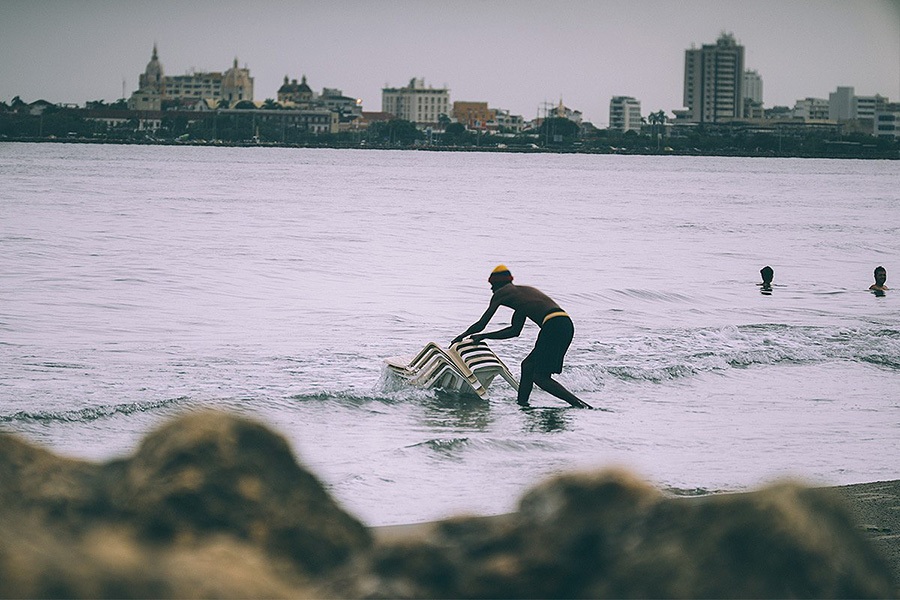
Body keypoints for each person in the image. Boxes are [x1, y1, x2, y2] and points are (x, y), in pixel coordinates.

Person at [452, 265, 592, 409]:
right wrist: (484, 336)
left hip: (553, 325)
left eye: (492, 285)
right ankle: (522, 404)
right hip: (564, 323)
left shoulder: (502, 293)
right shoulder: (522, 295)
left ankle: (579, 404)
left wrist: (462, 336)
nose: (491, 289)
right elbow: (514, 330)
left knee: (540, 377)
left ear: (498, 283)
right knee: (528, 365)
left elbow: (482, 323)